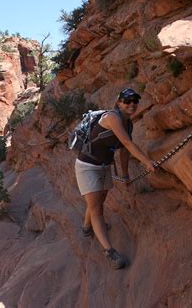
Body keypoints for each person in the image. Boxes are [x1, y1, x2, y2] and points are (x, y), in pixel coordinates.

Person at [74, 88, 156, 269]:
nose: (132, 104)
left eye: (135, 101)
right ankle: (110, 253)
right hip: (87, 166)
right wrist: (147, 162)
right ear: (119, 102)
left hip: (103, 166)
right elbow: (127, 143)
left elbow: (124, 150)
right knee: (97, 210)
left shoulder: (128, 124)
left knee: (98, 201)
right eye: (127, 101)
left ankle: (87, 228)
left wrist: (125, 174)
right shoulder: (112, 118)